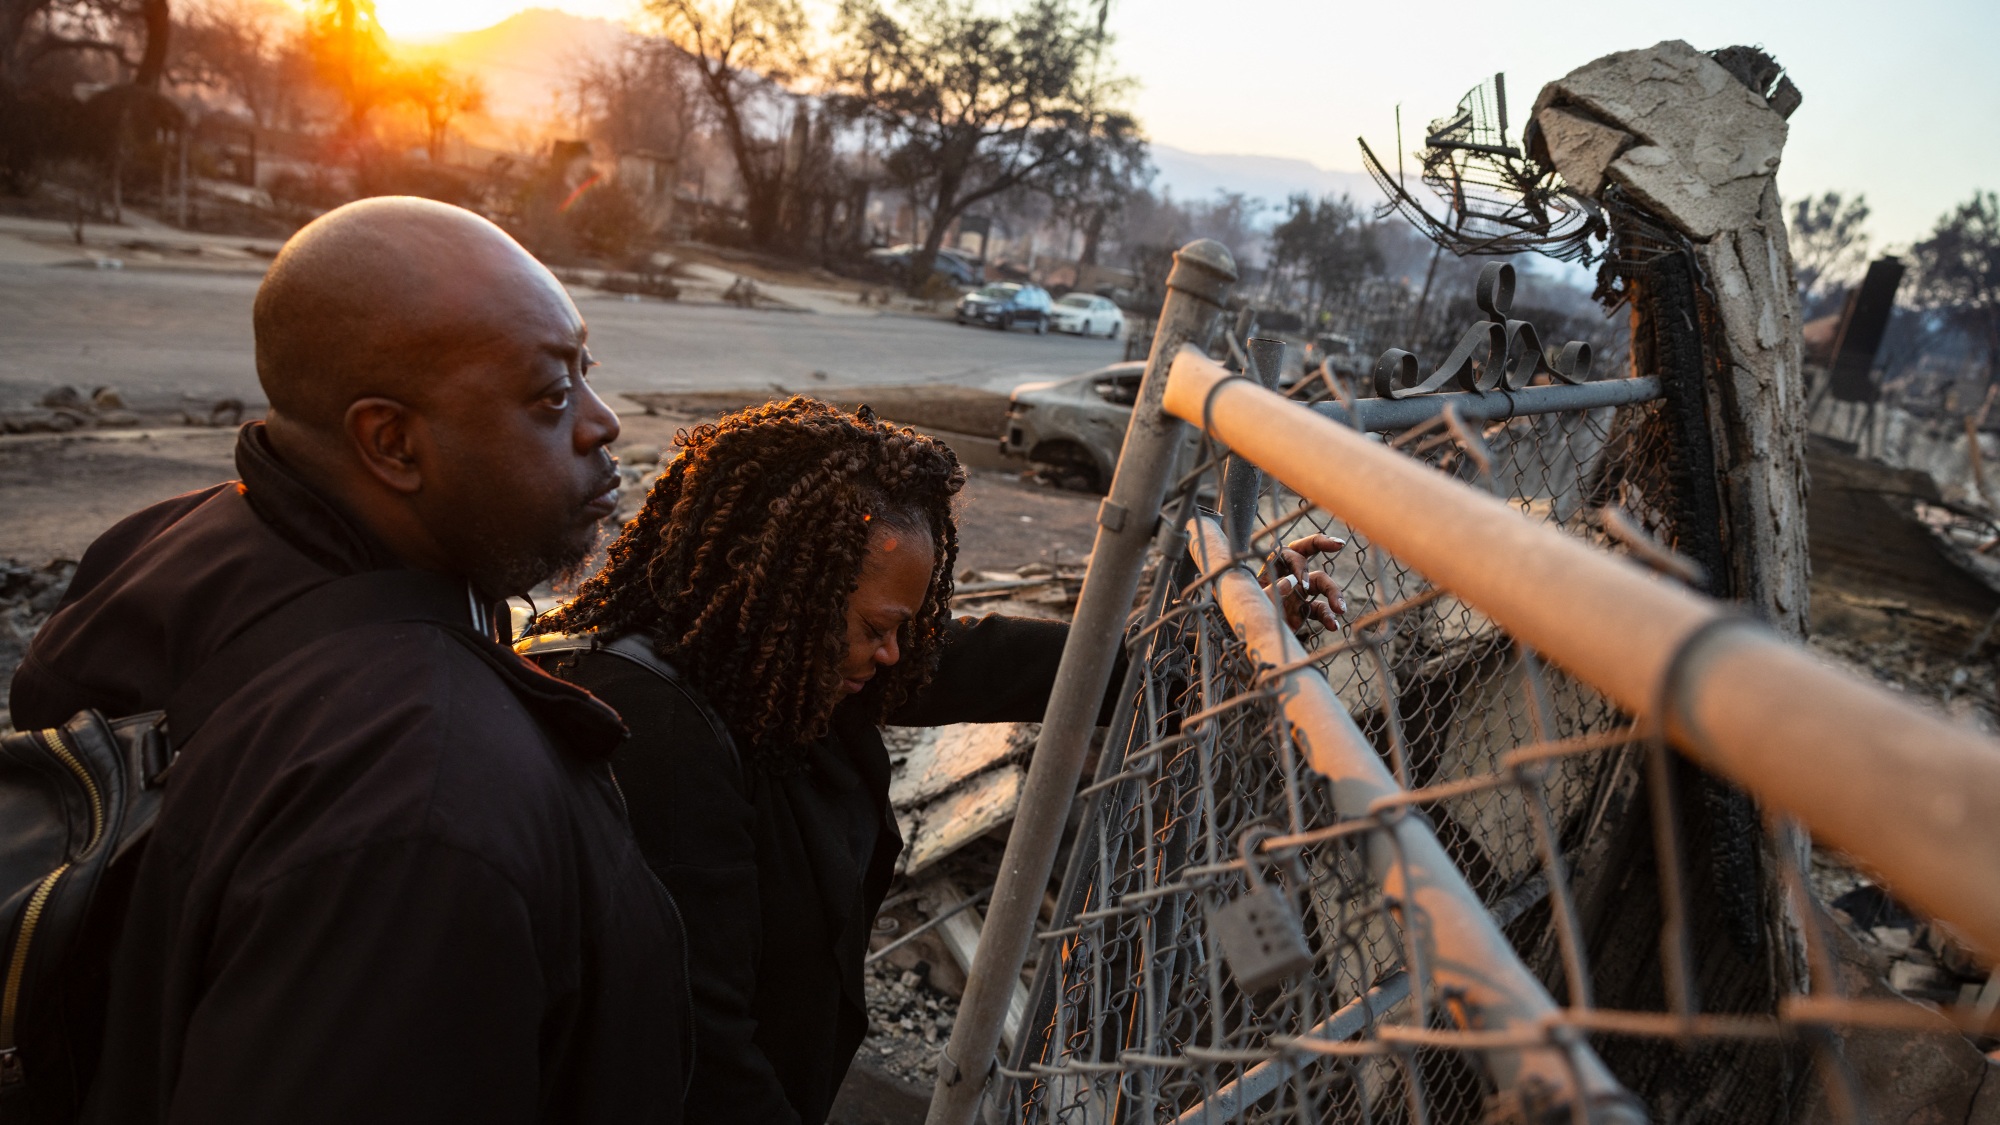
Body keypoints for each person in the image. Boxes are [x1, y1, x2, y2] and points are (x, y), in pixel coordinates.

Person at [9, 197, 690, 1124]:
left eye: (587, 372)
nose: (602, 424)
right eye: (550, 395)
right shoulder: (424, 802)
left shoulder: (182, 535)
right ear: (391, 441)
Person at [525, 397, 1343, 1125]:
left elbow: (993, 659)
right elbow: (700, 1044)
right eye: (877, 625)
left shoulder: (768, 663)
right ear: (786, 592)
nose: (892, 654)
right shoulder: (655, 732)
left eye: (904, 630)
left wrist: (1212, 644)